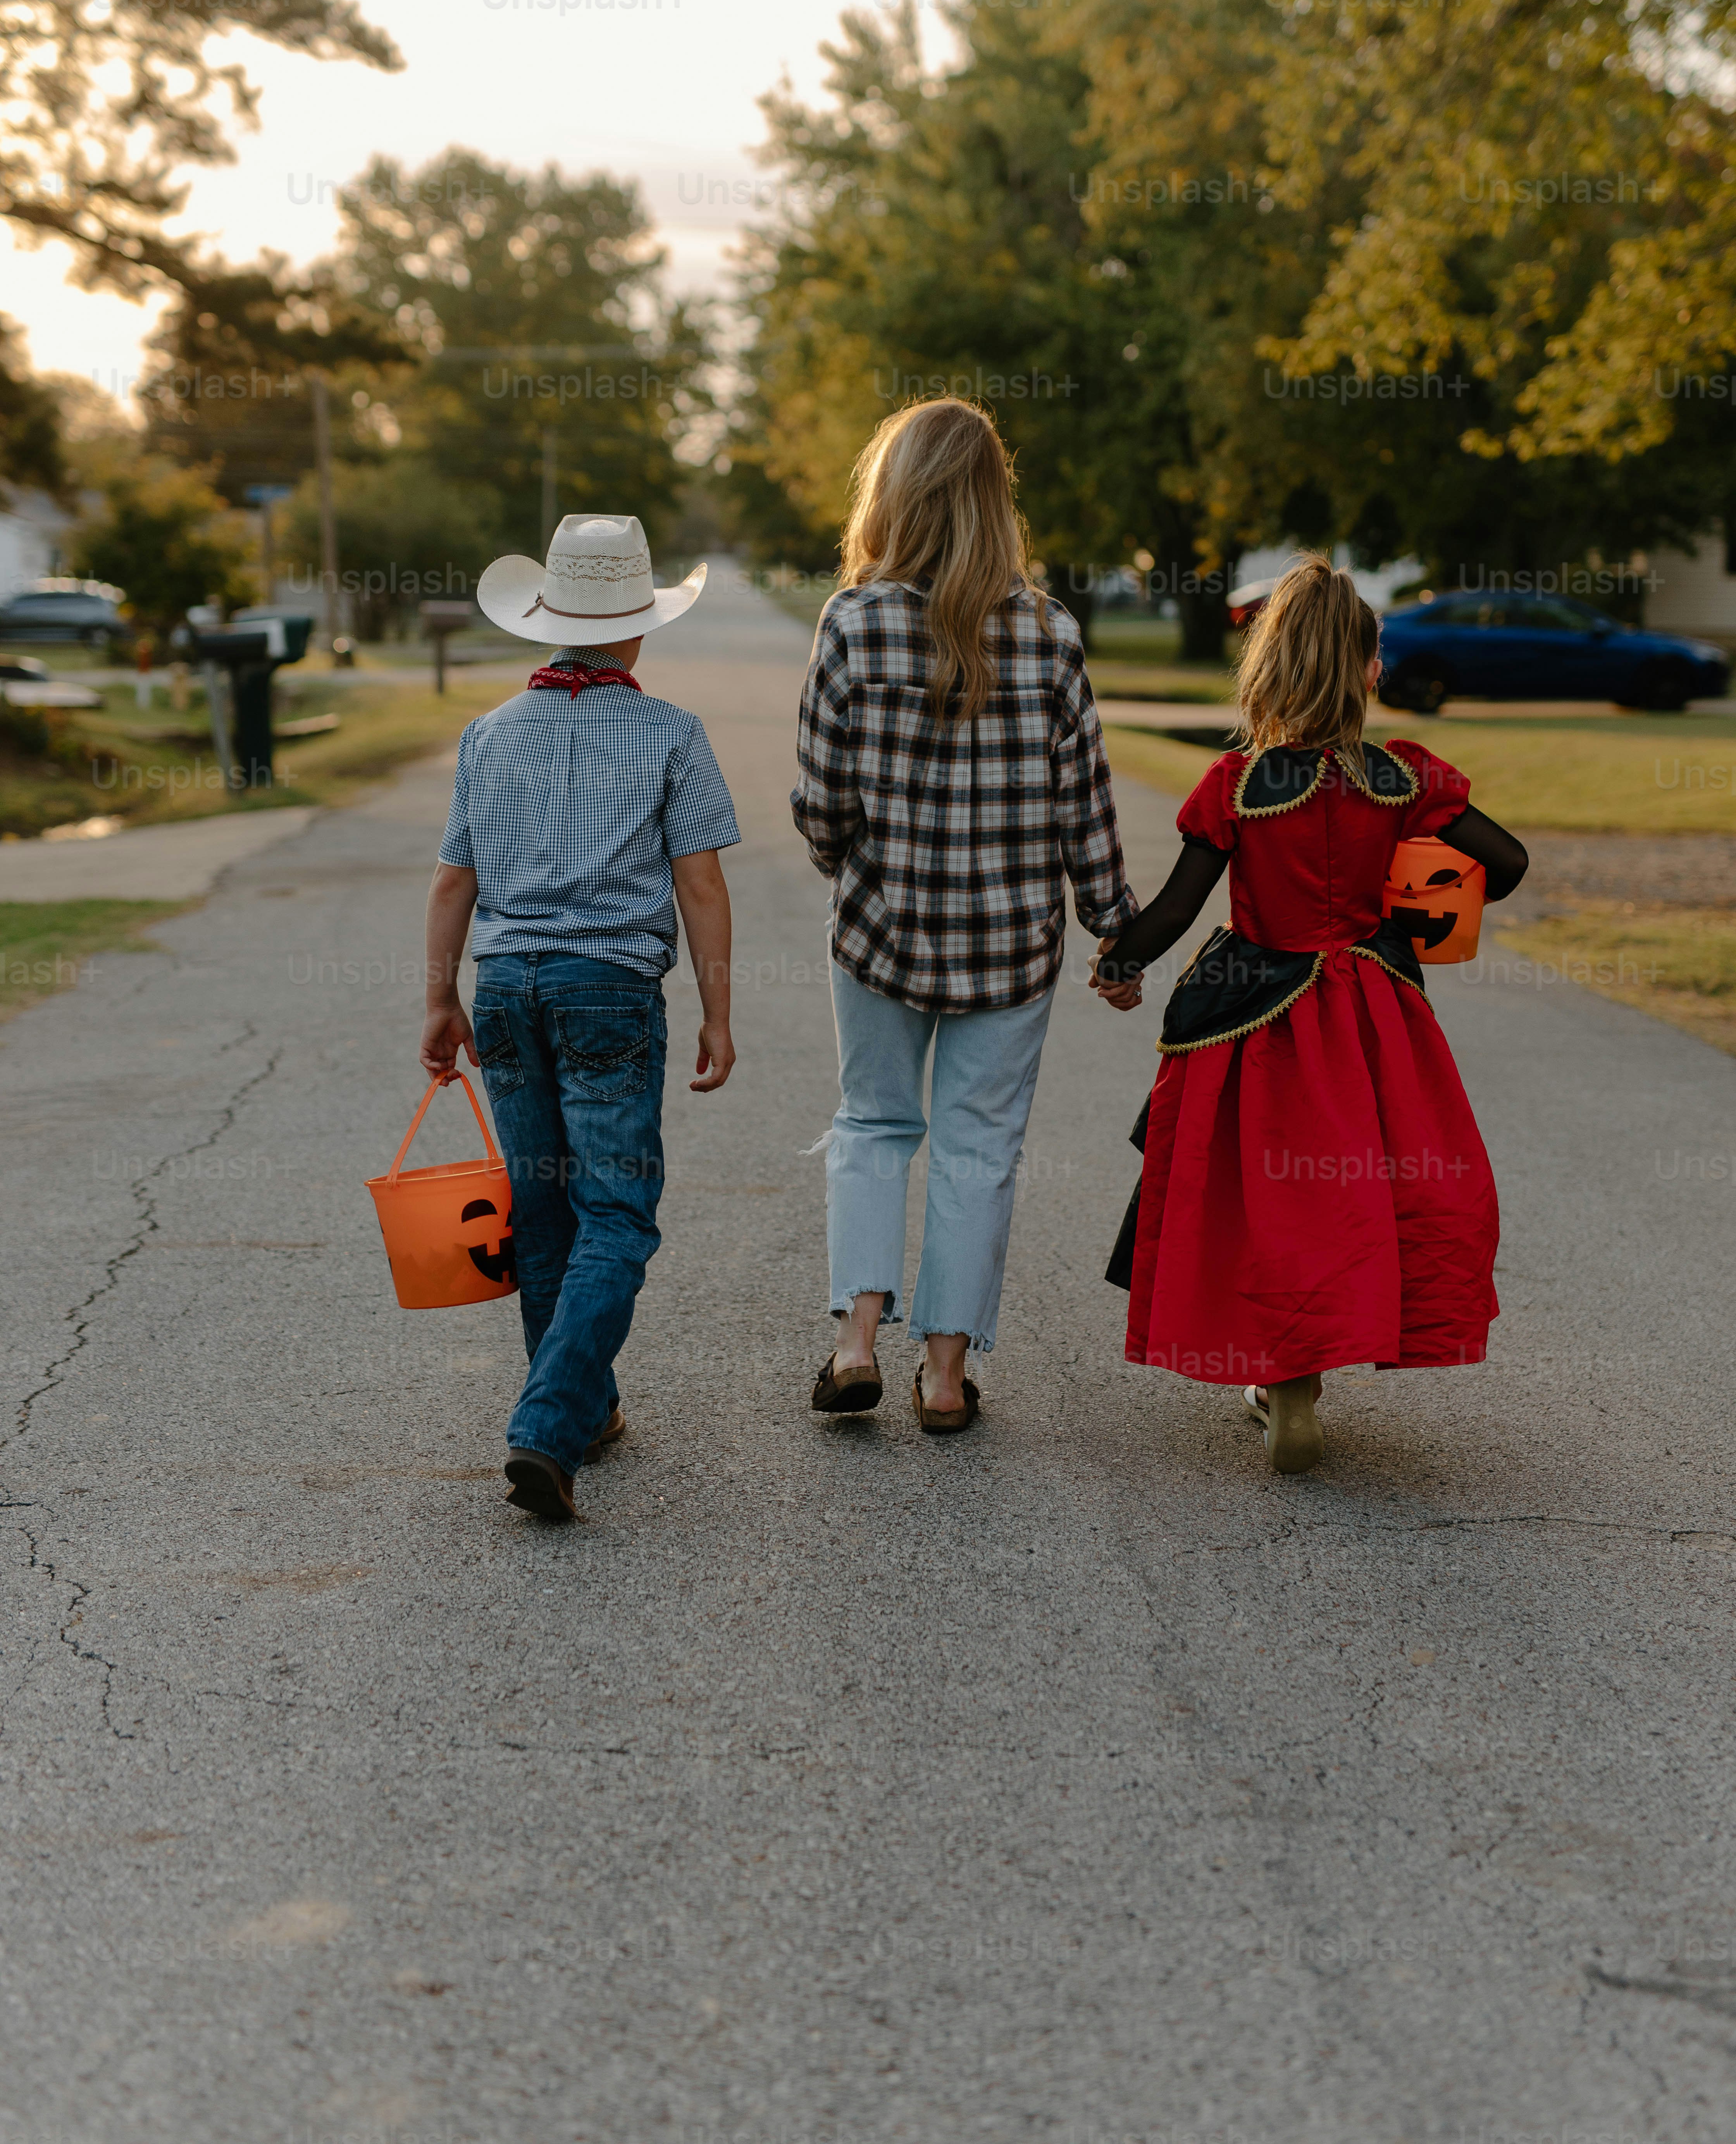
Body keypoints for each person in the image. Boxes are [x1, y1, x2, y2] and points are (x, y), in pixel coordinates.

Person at [1091, 555, 1528, 1474]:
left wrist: (1120, 962)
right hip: (1373, 1014)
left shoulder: (1238, 785)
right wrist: (1417, 901)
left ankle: (1283, 1378)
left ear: (1266, 669)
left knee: (1270, 1196)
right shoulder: (1403, 778)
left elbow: (1174, 909)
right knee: (1362, 1191)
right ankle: (1309, 1369)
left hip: (1256, 1018)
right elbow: (1509, 860)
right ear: (1370, 671)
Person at [792, 398, 1138, 1432]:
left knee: (871, 1124)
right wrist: (1115, 928)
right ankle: (943, 1377)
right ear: (997, 501)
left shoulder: (852, 623)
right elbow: (1086, 806)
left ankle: (856, 1341)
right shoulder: (1051, 636)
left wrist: (859, 866)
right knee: (978, 1148)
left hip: (880, 935)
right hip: (1012, 948)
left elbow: (820, 805)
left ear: (892, 496)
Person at [420, 511, 740, 1521]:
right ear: (639, 628)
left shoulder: (487, 735)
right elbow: (700, 887)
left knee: (546, 1211)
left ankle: (582, 1413)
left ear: (548, 619)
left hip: (506, 988)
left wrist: (439, 997)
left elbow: (450, 886)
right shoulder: (671, 734)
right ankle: (548, 1426)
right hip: (607, 990)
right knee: (617, 1218)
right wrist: (718, 1014)